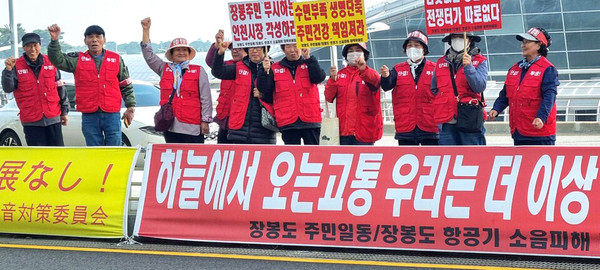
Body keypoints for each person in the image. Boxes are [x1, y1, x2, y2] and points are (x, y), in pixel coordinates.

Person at [47, 24, 135, 146]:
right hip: (89, 115)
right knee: (94, 150)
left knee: (115, 148)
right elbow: (58, 60)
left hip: (112, 114)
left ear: (104, 40)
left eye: (98, 36)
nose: (94, 40)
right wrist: (54, 41)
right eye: (90, 37)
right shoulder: (78, 59)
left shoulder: (116, 59)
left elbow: (125, 85)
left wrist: (130, 107)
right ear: (85, 41)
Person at [140, 17, 212, 143]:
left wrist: (205, 121)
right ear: (172, 54)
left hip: (192, 126)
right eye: (177, 50)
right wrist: (146, 30)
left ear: (189, 53)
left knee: (193, 160)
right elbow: (149, 55)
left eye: (184, 50)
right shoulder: (164, 68)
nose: (181, 52)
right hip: (170, 125)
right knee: (173, 160)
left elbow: (206, 98)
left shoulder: (199, 71)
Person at [488, 27, 559, 145]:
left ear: (538, 45)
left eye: (527, 42)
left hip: (540, 133)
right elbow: (505, 94)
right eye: (523, 42)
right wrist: (496, 109)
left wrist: (541, 117)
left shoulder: (548, 69)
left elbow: (549, 97)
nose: (523, 45)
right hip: (519, 132)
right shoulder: (515, 68)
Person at [1, 33, 69, 146]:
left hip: (53, 117)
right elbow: (8, 88)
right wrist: (8, 71)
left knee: (58, 155)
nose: (32, 49)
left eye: (35, 45)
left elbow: (60, 88)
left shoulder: (51, 62)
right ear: (23, 47)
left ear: (40, 45)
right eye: (28, 46)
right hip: (31, 120)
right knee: (37, 157)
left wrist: (64, 111)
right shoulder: (15, 65)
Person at [256, 43, 326, 145]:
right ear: (283, 49)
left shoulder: (309, 63)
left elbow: (319, 77)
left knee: (314, 155)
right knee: (292, 156)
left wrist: (308, 58)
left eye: (295, 46)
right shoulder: (274, 68)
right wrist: (264, 71)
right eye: (288, 46)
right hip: (287, 121)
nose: (292, 50)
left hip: (311, 119)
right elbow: (265, 89)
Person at [380, 30, 438, 145]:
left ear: (424, 49)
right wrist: (385, 76)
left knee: (432, 161)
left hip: (430, 125)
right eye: (409, 45)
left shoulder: (434, 69)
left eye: (417, 45)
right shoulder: (397, 69)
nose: (413, 48)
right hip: (405, 127)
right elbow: (387, 86)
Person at [211, 41, 276, 144]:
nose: (254, 51)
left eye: (258, 48)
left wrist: (263, 95)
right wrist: (220, 53)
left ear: (265, 49)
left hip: (264, 129)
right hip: (238, 128)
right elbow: (218, 72)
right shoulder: (239, 67)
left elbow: (280, 95)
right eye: (250, 48)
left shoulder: (275, 68)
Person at [431, 32, 488, 145]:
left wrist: (469, 67)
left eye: (462, 37)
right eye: (454, 38)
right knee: (447, 158)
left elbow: (479, 86)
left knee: (472, 157)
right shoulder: (441, 62)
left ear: (469, 41)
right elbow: (434, 88)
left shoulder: (480, 61)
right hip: (446, 119)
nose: (457, 40)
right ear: (450, 41)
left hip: (470, 118)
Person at [324, 43, 383, 145]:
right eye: (350, 51)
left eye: (358, 50)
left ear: (364, 54)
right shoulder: (339, 74)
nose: (354, 53)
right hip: (343, 131)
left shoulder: (370, 73)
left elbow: (376, 82)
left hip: (364, 130)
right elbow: (329, 97)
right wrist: (332, 81)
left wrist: (363, 69)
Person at [205, 29, 247, 144]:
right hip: (225, 117)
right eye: (233, 48)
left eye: (239, 48)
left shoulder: (252, 67)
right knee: (223, 151)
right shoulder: (227, 65)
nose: (235, 51)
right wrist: (217, 45)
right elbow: (211, 62)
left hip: (242, 118)